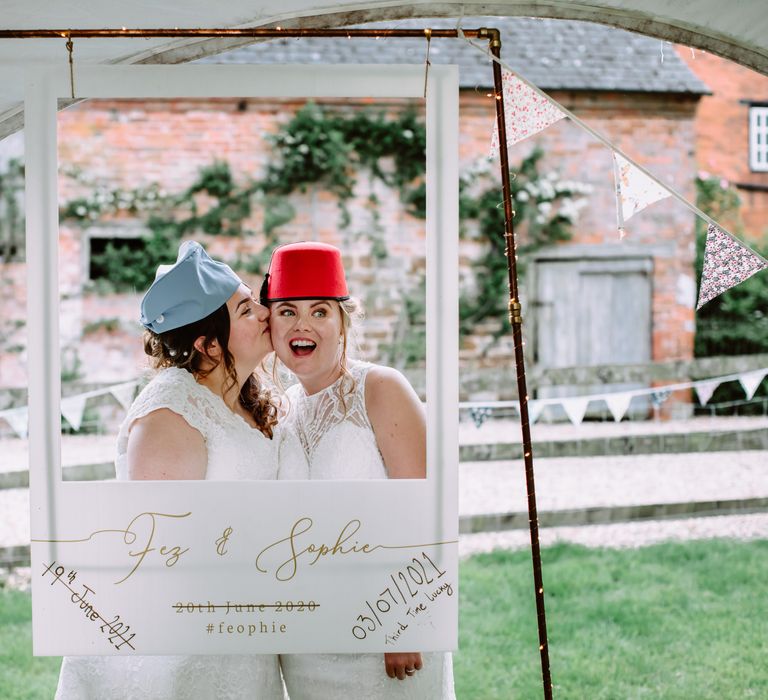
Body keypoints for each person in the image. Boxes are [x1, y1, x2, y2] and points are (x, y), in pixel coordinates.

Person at [55, 241, 286, 699]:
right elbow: (158, 547)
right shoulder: (170, 412)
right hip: (185, 642)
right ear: (207, 343)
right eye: (245, 310)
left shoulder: (243, 398)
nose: (265, 313)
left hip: (244, 624)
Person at [263, 241, 455, 699]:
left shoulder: (381, 387)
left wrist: (406, 621)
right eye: (287, 311)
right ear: (269, 324)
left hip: (386, 632)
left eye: (320, 311)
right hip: (308, 640)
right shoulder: (280, 410)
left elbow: (427, 505)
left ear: (343, 322)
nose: (302, 325)